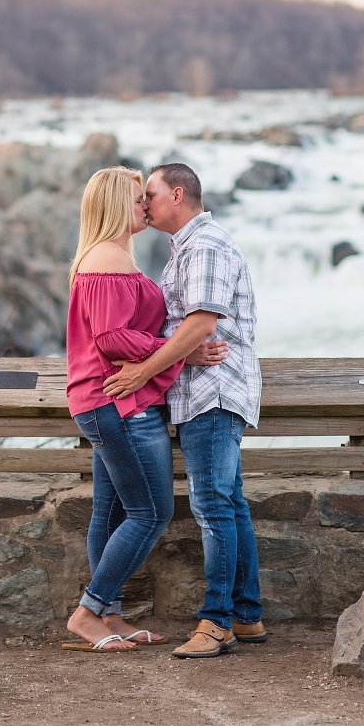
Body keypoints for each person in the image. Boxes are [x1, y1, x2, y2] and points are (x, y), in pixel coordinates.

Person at [103, 163, 265, 659]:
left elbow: (200, 324)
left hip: (212, 394)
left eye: (149, 194)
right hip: (202, 393)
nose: (143, 203)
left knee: (212, 506)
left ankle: (216, 622)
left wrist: (141, 371)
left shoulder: (205, 246)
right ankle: (246, 614)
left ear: (177, 195)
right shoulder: (188, 248)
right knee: (229, 503)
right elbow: (191, 330)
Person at [63, 166, 227, 653]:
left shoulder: (104, 256)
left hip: (104, 400)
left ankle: (107, 616)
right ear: (117, 205)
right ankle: (90, 611)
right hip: (120, 402)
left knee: (110, 511)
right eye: (138, 200)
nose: (145, 207)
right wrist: (177, 348)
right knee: (150, 512)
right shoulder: (109, 259)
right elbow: (111, 339)